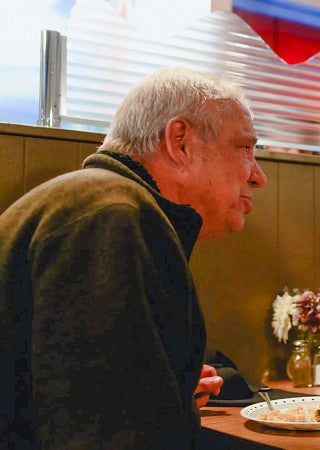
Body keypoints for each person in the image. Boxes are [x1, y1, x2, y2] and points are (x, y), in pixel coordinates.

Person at [0, 67, 267, 449]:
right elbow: (99, 435)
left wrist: (164, 390)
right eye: (244, 148)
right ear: (181, 142)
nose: (257, 176)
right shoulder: (112, 216)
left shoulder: (102, 202)